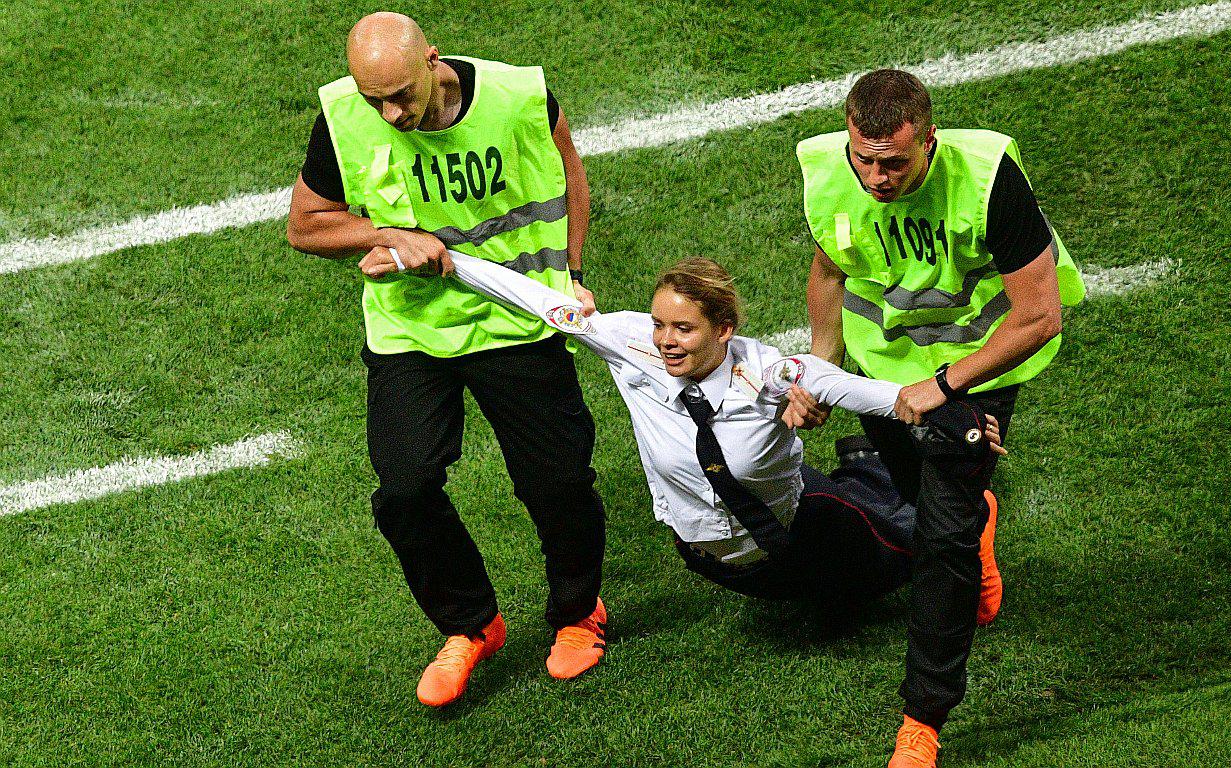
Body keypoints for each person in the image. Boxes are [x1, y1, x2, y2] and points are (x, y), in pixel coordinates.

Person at [361, 249, 1005, 629]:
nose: (666, 340)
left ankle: (962, 518)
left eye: (685, 330)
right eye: (661, 323)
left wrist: (963, 419)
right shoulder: (628, 342)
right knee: (815, 580)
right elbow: (526, 297)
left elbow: (892, 398)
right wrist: (440, 260)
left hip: (800, 535)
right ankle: (863, 469)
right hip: (708, 559)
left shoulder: (776, 372)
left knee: (901, 566)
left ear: (724, 330)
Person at [285, 12, 608, 707]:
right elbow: (305, 226)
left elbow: (569, 171)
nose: (390, 113)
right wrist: (387, 233)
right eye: (376, 100)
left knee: (556, 481)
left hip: (519, 319)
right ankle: (471, 625)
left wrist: (574, 270)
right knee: (404, 488)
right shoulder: (343, 118)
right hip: (413, 332)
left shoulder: (521, 96)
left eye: (402, 95)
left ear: (434, 62)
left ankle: (580, 613)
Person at [791, 69, 1087, 766]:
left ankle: (923, 718)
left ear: (930, 138)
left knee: (942, 535)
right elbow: (831, 270)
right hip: (886, 369)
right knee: (916, 491)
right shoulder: (833, 172)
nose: (874, 177)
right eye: (863, 158)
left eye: (892, 162)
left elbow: (1040, 315)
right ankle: (975, 521)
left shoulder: (989, 180)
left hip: (981, 364)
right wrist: (821, 371)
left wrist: (944, 385)